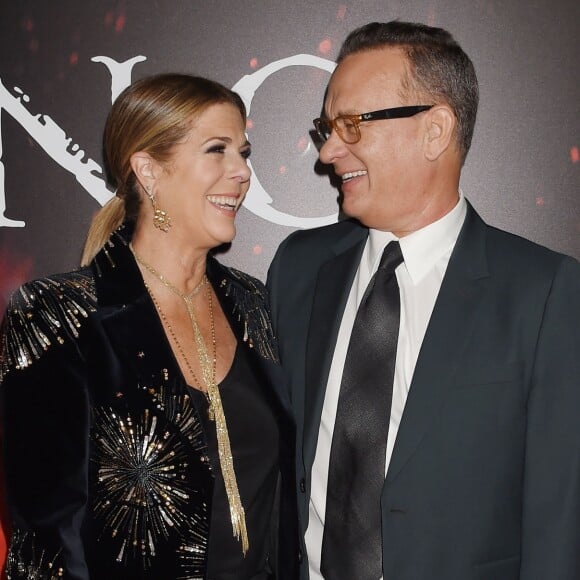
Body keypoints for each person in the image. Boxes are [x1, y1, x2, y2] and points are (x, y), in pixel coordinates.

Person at [267, 21, 580, 580]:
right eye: (326, 128)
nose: (329, 151)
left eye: (352, 125)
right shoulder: (299, 268)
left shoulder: (544, 292)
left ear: (435, 130)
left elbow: (559, 519)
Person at [0, 73, 298, 580]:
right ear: (149, 170)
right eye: (217, 150)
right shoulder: (59, 315)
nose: (242, 172)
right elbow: (49, 544)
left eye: (243, 153)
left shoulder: (251, 304)